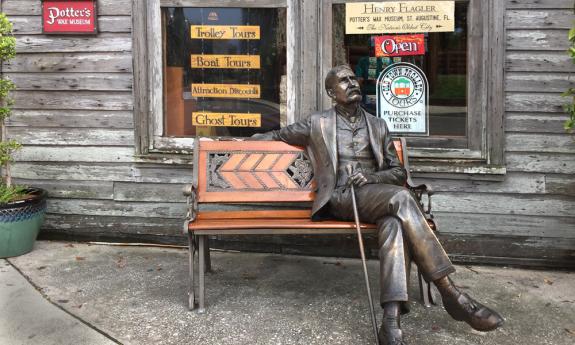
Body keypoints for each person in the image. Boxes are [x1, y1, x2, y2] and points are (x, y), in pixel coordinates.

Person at [252, 65, 504, 345]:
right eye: (343, 81)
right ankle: (452, 293)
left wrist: (372, 176)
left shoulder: (378, 125)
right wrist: (241, 141)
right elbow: (276, 136)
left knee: (394, 225)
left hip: (376, 197)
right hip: (340, 197)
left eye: (353, 78)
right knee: (402, 197)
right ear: (330, 93)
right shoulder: (317, 123)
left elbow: (398, 173)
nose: (352, 83)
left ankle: (391, 323)